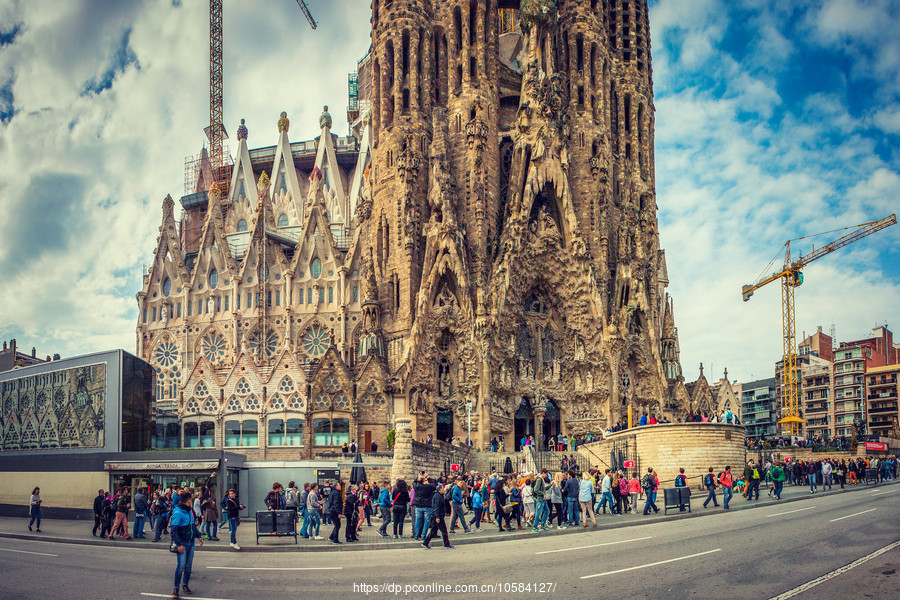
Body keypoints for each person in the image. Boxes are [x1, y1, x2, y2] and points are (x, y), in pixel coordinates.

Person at [171, 491, 204, 598]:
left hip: (191, 542)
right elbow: (174, 531)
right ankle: (176, 587)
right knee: (180, 566)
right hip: (183, 543)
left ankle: (185, 585)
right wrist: (179, 544)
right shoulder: (178, 513)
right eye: (190, 502)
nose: (191, 503)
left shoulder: (189, 512)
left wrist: (199, 535)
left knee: (188, 566)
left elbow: (192, 526)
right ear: (186, 502)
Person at [422, 483, 453, 549]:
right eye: (443, 488)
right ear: (440, 490)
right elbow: (436, 507)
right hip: (438, 516)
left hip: (436, 516)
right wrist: (437, 517)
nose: (444, 490)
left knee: (433, 530)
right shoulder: (437, 496)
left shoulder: (438, 495)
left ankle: (425, 542)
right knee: (444, 531)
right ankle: (446, 544)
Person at [412, 472, 436, 540]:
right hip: (427, 506)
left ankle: (416, 536)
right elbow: (435, 484)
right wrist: (428, 478)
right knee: (426, 522)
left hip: (418, 506)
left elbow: (413, 483)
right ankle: (423, 536)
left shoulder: (417, 487)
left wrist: (418, 478)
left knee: (418, 521)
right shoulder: (429, 487)